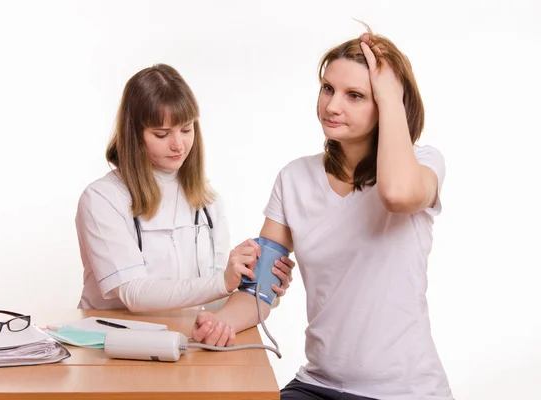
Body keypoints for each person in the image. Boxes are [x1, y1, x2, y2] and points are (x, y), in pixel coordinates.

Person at [192, 27, 454, 400]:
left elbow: (396, 195)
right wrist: (219, 323)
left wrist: (392, 95)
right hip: (318, 386)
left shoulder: (422, 164)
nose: (332, 106)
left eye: (356, 96)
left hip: (403, 392)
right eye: (328, 88)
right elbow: (260, 288)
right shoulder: (295, 178)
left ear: (387, 103)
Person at [74, 64, 295, 326]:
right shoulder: (102, 199)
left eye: (186, 129)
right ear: (134, 135)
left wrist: (260, 285)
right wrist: (222, 281)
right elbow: (132, 293)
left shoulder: (208, 202)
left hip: (180, 340)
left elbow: (212, 298)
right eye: (161, 134)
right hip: (110, 346)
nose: (178, 145)